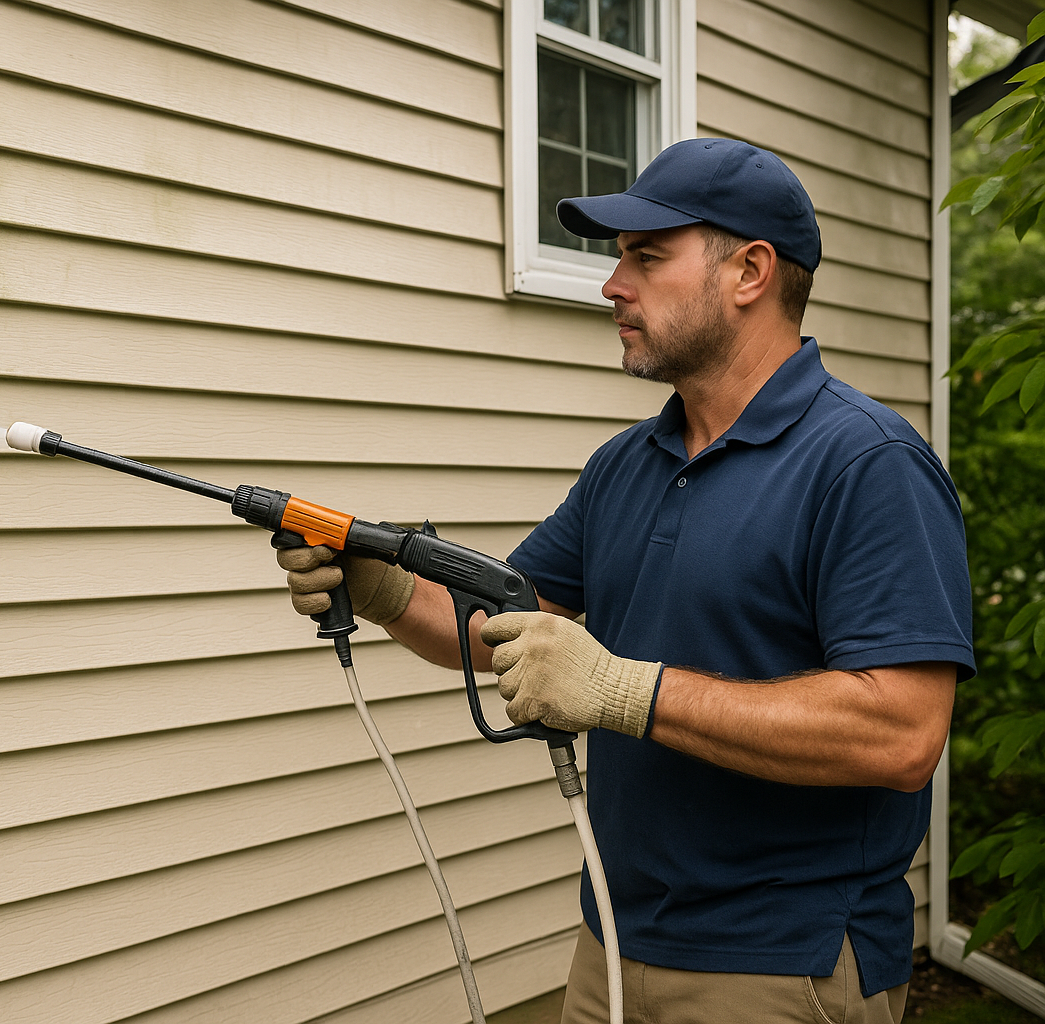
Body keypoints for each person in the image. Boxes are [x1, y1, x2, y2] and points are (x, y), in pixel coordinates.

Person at [277, 138, 973, 1024]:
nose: (614, 285)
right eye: (618, 260)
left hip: (778, 966)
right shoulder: (627, 464)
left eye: (647, 256)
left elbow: (902, 734)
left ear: (751, 271)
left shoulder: (867, 464)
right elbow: (499, 620)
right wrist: (377, 587)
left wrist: (622, 690)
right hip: (610, 941)